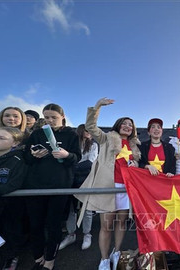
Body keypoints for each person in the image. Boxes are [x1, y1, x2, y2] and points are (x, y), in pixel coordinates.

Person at [75, 98, 141, 270]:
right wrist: (97, 107)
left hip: (126, 188)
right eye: (125, 123)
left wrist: (136, 165)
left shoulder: (134, 146)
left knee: (121, 222)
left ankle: (116, 252)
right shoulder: (106, 138)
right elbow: (90, 127)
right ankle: (104, 259)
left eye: (130, 125)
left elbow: (135, 168)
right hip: (107, 187)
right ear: (118, 125)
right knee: (106, 225)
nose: (128, 126)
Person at [23, 103, 81, 270]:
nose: (50, 120)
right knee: (35, 223)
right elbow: (27, 157)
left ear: (62, 117)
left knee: (53, 224)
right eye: (46, 117)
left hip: (60, 185)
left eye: (53, 117)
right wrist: (34, 155)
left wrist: (66, 155)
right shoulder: (37, 133)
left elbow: (77, 157)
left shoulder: (71, 134)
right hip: (35, 185)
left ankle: (50, 259)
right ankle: (38, 256)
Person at [0, 127, 27, 270]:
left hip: (9, 207)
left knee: (9, 235)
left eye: (2, 138)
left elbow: (13, 184)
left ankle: (9, 260)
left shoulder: (19, 160)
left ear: (15, 143)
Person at [59, 124, 99, 251]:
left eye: (91, 131)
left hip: (86, 179)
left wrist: (73, 167)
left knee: (87, 208)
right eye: (86, 130)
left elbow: (90, 162)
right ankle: (71, 234)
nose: (89, 133)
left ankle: (87, 234)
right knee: (71, 208)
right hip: (70, 179)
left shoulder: (93, 145)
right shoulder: (72, 143)